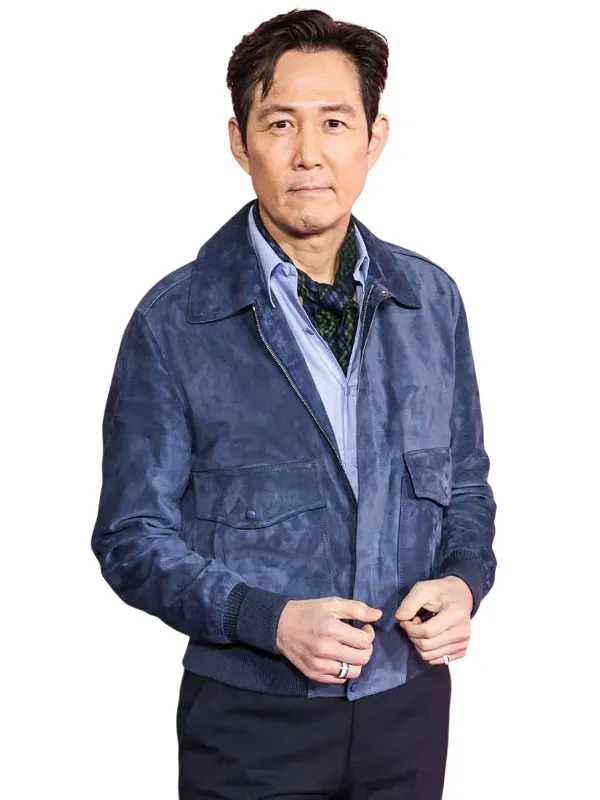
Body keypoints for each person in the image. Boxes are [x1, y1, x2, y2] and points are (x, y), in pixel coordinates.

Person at [91, 9, 497, 799]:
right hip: (250, 722)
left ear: (374, 138)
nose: (309, 153)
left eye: (335, 123)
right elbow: (131, 537)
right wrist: (266, 619)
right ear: (240, 142)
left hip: (409, 709)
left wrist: (464, 580)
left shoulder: (431, 301)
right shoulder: (175, 321)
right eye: (280, 123)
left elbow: (467, 487)